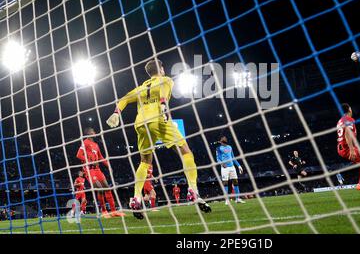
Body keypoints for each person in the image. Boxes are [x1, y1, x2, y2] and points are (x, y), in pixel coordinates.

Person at [106, 59, 211, 219]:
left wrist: (116, 113)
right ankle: (192, 190)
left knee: (144, 162)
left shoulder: (142, 87)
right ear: (161, 69)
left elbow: (125, 98)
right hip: (158, 119)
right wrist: (162, 105)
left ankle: (136, 198)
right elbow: (162, 92)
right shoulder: (166, 79)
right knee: (186, 152)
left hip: (141, 124)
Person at [76, 127, 125, 218]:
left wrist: (108, 165)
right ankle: (104, 211)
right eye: (93, 131)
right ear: (89, 134)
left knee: (107, 187)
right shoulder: (85, 142)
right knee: (99, 188)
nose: (95, 132)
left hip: (97, 169)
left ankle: (113, 211)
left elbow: (101, 157)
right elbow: (79, 155)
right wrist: (90, 161)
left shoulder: (96, 145)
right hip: (89, 170)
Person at [216, 136, 245, 204]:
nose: (221, 142)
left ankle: (237, 199)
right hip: (224, 168)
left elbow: (233, 157)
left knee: (235, 182)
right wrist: (222, 164)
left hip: (232, 167)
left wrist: (239, 166)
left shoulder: (230, 147)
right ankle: (227, 200)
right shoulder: (218, 148)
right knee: (225, 183)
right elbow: (217, 158)